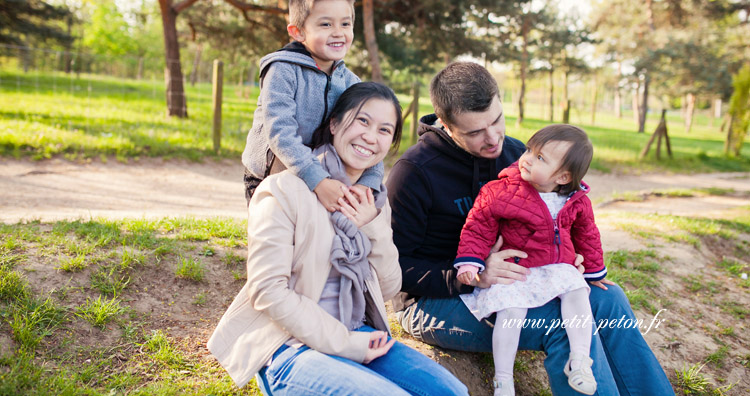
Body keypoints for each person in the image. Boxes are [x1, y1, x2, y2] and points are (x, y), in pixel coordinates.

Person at [386, 62, 675, 395]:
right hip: (435, 302)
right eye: (475, 132)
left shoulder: (516, 154)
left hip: (518, 283)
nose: (493, 137)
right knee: (565, 325)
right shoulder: (414, 172)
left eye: (496, 120)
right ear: (447, 125)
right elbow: (394, 270)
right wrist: (472, 275)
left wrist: (564, 253)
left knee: (609, 300)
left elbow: (557, 214)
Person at [208, 82, 468, 396]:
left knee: (452, 392)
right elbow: (268, 291)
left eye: (385, 130)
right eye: (363, 121)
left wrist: (370, 226)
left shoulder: (371, 203)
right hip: (288, 348)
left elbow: (387, 288)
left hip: (358, 330)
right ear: (333, 123)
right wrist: (346, 343)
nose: (371, 137)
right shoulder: (283, 192)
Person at [455, 124, 605, 395]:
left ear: (562, 176)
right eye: (529, 150)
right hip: (517, 269)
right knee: (511, 313)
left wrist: (594, 271)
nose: (525, 158)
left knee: (578, 293)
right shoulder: (502, 190)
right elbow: (478, 225)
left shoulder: (575, 199)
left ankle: (580, 359)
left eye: (540, 158)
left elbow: (588, 234)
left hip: (557, 268)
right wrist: (470, 260)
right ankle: (503, 379)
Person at [241, 0, 381, 210]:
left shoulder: (351, 82)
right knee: (280, 237)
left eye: (345, 24)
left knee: (319, 240)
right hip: (272, 175)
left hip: (325, 174)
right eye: (326, 24)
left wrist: (368, 181)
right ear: (298, 32)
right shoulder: (282, 70)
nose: (338, 32)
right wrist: (318, 181)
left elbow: (371, 135)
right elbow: (280, 132)